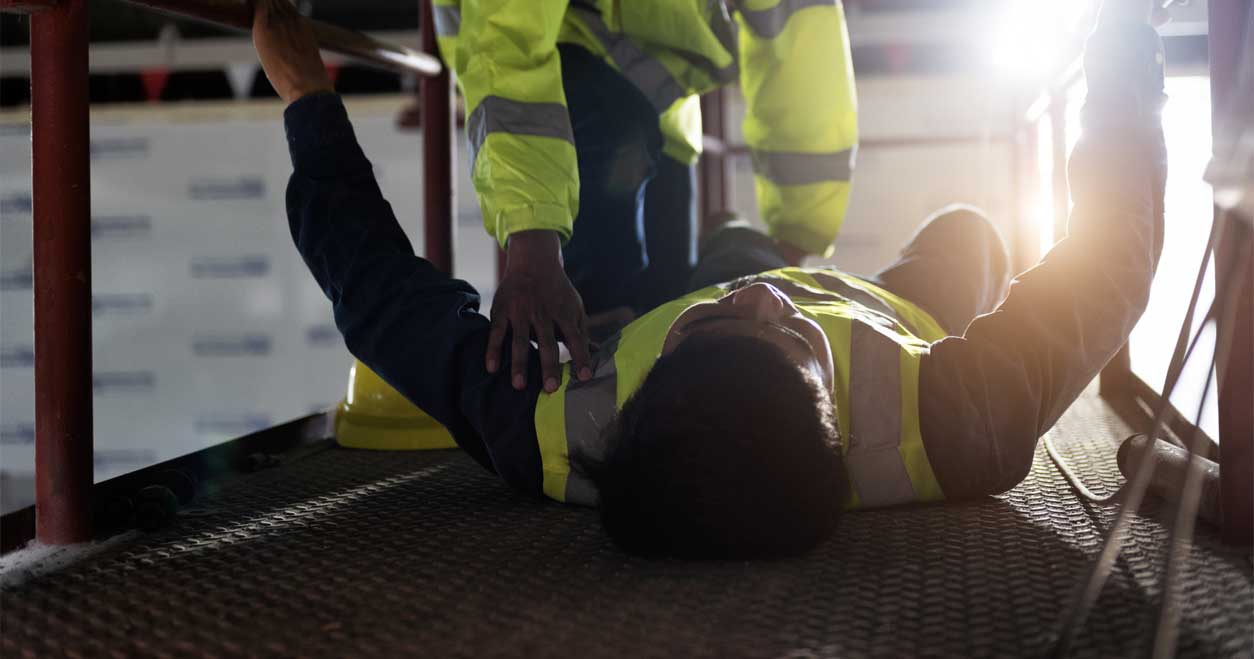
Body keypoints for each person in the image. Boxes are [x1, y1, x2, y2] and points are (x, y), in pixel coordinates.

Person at [252, 0, 1167, 558]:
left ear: (635, 401)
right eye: (786, 335)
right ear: (835, 423)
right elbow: (1115, 254)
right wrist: (1125, 42)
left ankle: (678, 286)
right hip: (892, 316)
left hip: (671, 264)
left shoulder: (554, 430)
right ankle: (754, 282)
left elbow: (380, 302)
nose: (767, 302)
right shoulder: (968, 420)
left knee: (729, 256)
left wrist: (305, 99)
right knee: (968, 231)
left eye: (719, 328)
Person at [428, 0, 860, 395]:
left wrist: (794, 237)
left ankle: (636, 400)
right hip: (535, 46)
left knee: (668, 308)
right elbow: (507, 40)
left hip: (658, 89)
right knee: (616, 148)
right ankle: (576, 397)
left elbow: (802, 51)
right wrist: (532, 239)